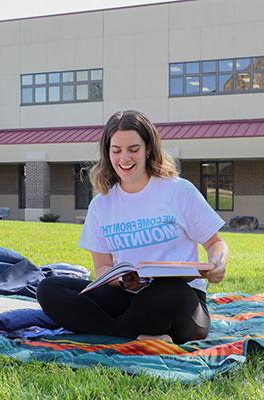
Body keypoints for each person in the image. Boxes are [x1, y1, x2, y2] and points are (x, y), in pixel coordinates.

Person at [37, 110, 229, 344]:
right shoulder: (101, 204)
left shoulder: (179, 191)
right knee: (50, 289)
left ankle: (111, 330)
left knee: (166, 292)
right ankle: (136, 336)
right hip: (127, 295)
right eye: (116, 150)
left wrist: (218, 263)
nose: (124, 159)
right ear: (107, 153)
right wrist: (123, 281)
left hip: (178, 300)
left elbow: (215, 243)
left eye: (133, 149)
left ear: (148, 149)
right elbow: (103, 267)